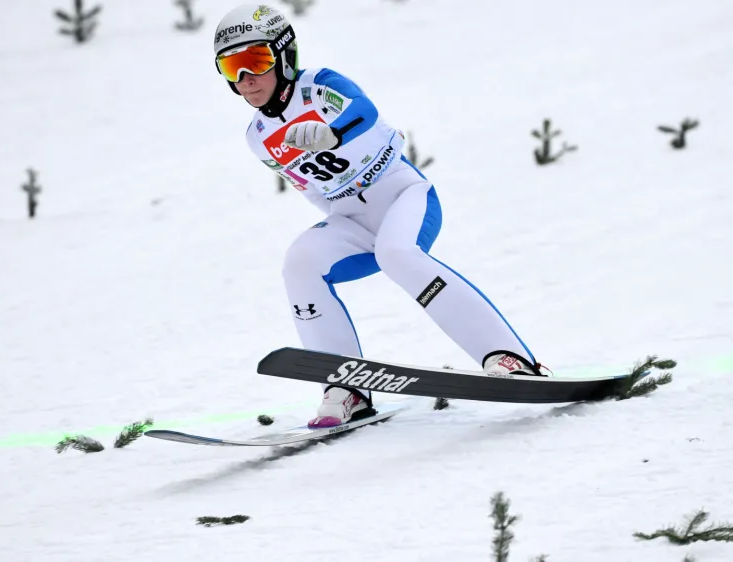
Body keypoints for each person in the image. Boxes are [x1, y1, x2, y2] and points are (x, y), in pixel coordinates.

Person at [213, 4, 547, 428]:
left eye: (256, 60)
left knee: (396, 253)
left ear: (284, 55)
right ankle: (345, 389)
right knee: (300, 261)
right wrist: (343, 218)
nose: (246, 78)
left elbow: (364, 111)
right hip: (351, 217)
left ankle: (508, 357)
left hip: (403, 195)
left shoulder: (318, 86)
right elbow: (310, 189)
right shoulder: (258, 137)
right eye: (232, 67)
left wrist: (333, 133)